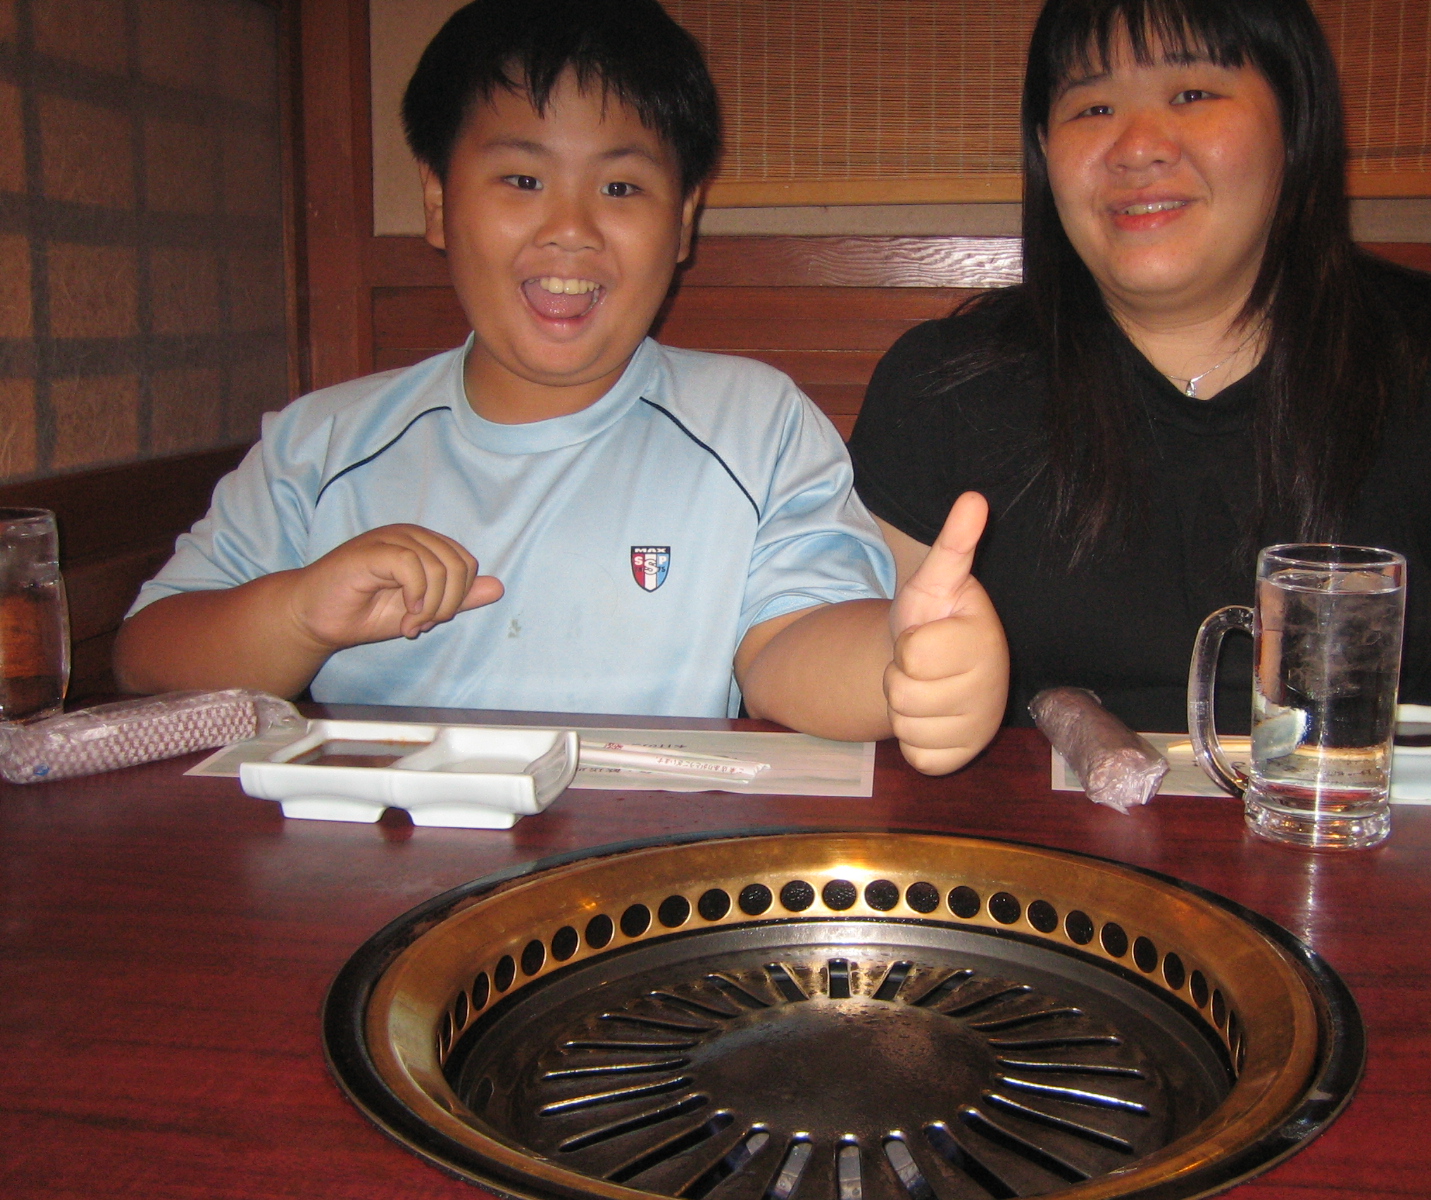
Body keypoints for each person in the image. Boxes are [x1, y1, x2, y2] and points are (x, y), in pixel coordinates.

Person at [114, 0, 1007, 775]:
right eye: (523, 179)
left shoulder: (754, 425)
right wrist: (299, 615)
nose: (571, 229)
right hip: (377, 856)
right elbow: (148, 654)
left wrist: (903, 664)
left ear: (683, 220)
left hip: (643, 875)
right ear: (438, 200)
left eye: (620, 185)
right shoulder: (323, 444)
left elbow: (791, 647)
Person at [849, 0, 1431, 734]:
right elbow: (859, 688)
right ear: (1044, 150)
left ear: (1295, 125)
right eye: (1093, 109)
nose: (1138, 147)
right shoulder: (941, 386)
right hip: (1035, 821)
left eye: (1193, 94)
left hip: (1354, 816)